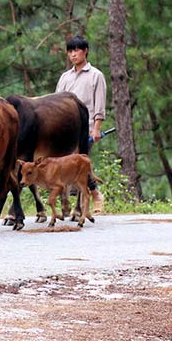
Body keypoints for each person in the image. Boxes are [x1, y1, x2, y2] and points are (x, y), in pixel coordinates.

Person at [56, 35, 106, 213]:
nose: (73, 54)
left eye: (76, 50)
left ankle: (92, 197)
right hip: (65, 130)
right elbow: (56, 103)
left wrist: (97, 129)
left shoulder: (96, 76)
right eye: (70, 51)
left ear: (85, 51)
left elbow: (99, 104)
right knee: (67, 166)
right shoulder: (65, 77)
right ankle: (92, 195)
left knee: (79, 164)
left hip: (86, 128)